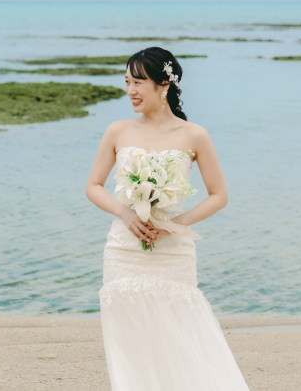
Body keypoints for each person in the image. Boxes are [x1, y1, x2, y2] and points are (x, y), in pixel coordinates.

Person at [85, 47, 249, 390]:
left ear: (164, 85)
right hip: (123, 248)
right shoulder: (117, 130)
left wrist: (175, 225)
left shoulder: (194, 135)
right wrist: (126, 213)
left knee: (180, 337)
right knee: (129, 342)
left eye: (138, 82)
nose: (130, 90)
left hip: (172, 249)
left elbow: (219, 196)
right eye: (127, 81)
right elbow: (94, 186)